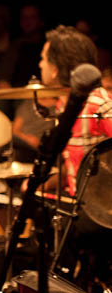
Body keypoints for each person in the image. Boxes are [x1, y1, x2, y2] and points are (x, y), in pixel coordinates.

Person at [38, 25, 112, 195]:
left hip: (100, 214)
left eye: (43, 58)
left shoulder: (97, 105)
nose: (40, 64)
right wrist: (46, 184)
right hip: (80, 206)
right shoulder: (63, 107)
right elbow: (78, 164)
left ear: (55, 69)